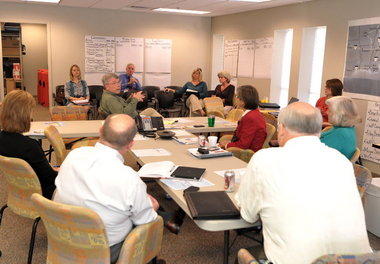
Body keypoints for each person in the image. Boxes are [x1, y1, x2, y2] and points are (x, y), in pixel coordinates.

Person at [236, 102, 371, 264]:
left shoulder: (264, 159)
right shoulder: (341, 161)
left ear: (282, 128)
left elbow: (248, 215)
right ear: (319, 129)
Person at [54, 114, 159, 264]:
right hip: (104, 250)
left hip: (62, 236)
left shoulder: (74, 155)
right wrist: (152, 207)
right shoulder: (129, 178)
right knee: (154, 222)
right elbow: (144, 219)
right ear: (130, 144)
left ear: (100, 131)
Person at [0, 90, 57, 199]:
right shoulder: (30, 146)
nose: (32, 115)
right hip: (41, 193)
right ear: (24, 114)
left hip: (19, 190)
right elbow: (51, 178)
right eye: (31, 111)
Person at [219, 85, 266, 152]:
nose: (235, 98)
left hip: (245, 155)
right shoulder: (254, 114)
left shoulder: (250, 118)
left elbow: (243, 144)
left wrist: (227, 145)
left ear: (243, 101)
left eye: (237, 96)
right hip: (243, 150)